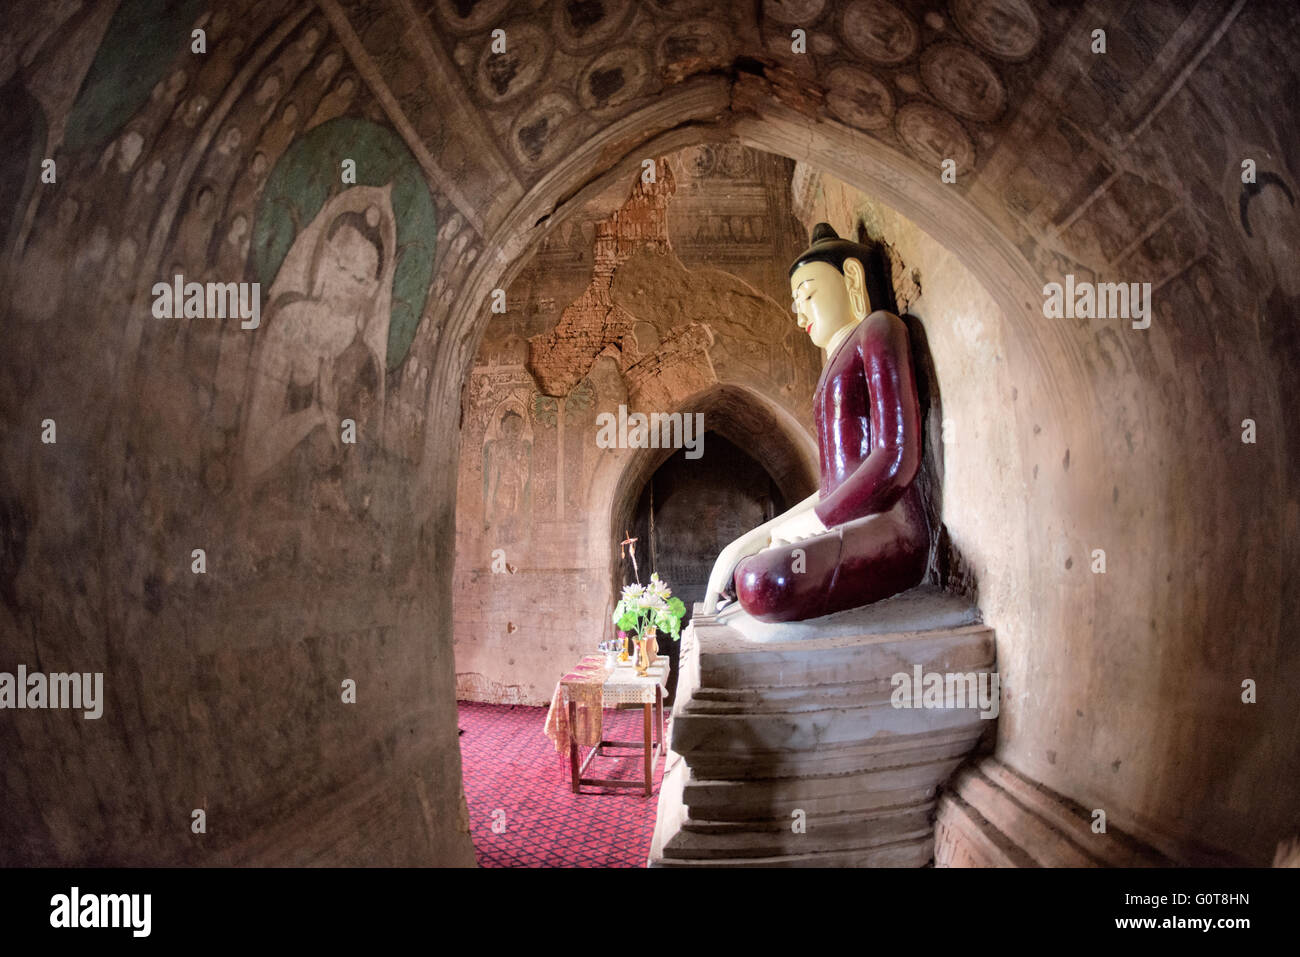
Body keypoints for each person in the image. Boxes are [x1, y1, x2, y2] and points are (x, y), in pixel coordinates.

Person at [703, 223, 931, 622]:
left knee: (765, 580)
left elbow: (896, 459)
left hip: (888, 526)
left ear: (852, 279)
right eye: (796, 302)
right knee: (747, 567)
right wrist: (743, 543)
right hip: (844, 520)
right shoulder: (831, 367)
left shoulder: (879, 330)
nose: (800, 313)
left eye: (808, 293)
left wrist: (819, 521)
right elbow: (831, 485)